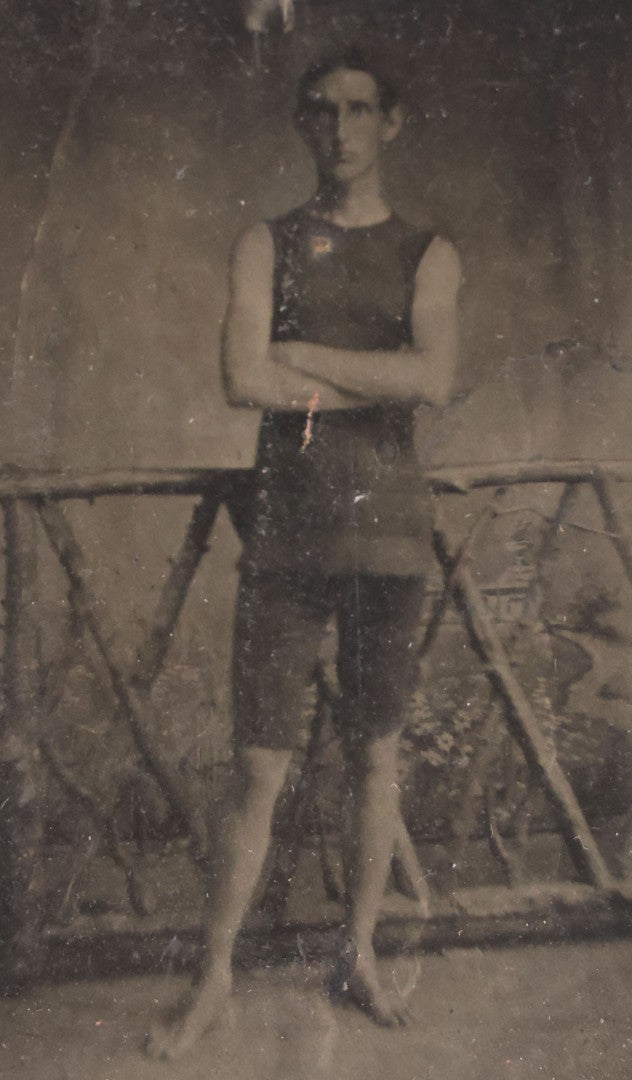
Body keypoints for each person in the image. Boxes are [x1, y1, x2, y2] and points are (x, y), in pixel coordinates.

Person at [147, 46, 461, 1060]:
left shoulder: (427, 252)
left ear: (391, 124)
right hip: (286, 534)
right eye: (319, 111)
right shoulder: (263, 243)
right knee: (253, 767)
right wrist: (380, 376)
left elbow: (437, 376)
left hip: (390, 540)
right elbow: (243, 379)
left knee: (374, 758)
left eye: (358, 110)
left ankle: (358, 953)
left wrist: (306, 357)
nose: (339, 129)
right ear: (301, 125)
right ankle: (210, 980)